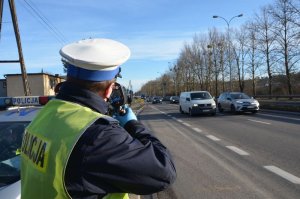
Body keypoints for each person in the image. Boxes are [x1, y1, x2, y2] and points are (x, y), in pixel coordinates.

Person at [20, 38, 176, 199]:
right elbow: (164, 171)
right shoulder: (98, 136)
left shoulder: (45, 115)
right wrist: (132, 123)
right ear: (109, 90)